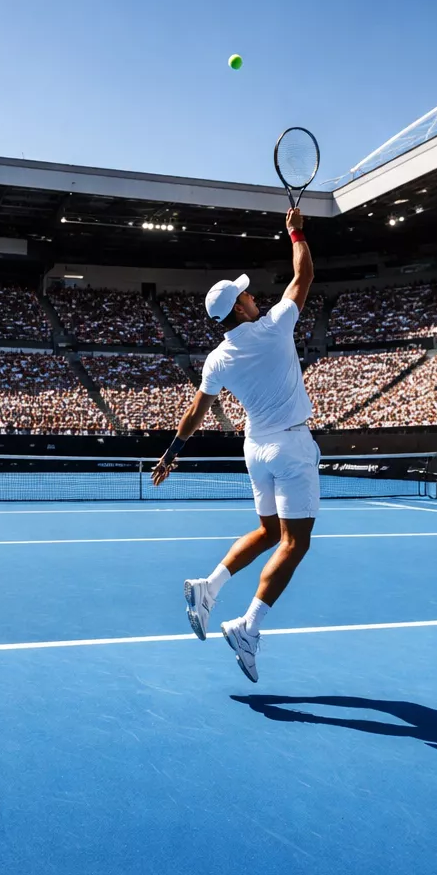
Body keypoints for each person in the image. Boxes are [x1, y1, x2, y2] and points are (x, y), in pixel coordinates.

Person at [151, 208, 316, 683]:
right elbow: (304, 273)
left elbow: (195, 413)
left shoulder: (217, 359)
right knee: (295, 542)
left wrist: (171, 453)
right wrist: (296, 231)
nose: (252, 294)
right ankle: (248, 626)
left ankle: (209, 586)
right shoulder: (275, 325)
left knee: (268, 532)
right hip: (289, 448)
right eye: (245, 293)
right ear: (239, 307)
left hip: (255, 450)